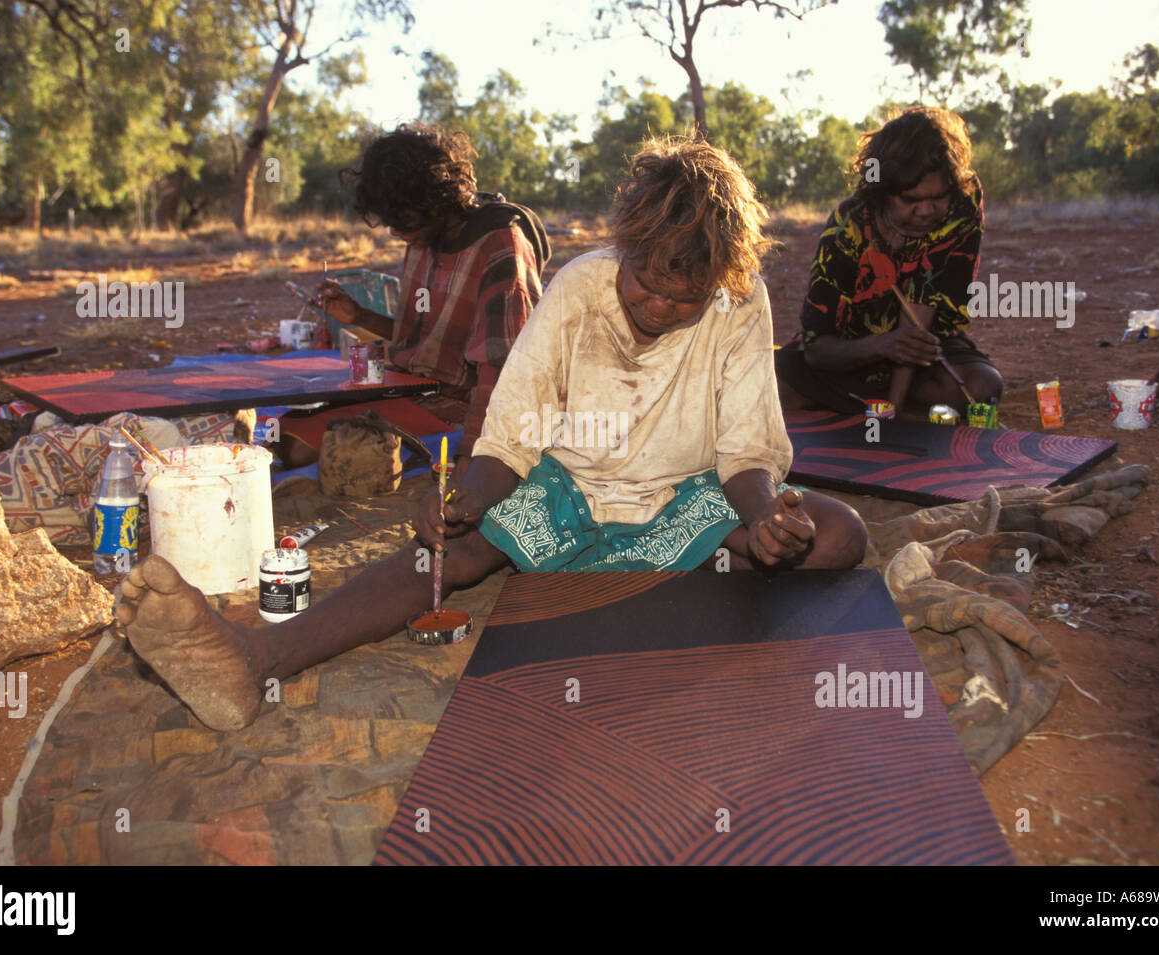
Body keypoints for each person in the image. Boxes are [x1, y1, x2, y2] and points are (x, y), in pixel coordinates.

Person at [113, 134, 868, 732]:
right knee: (453, 551)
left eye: (686, 299)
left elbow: (744, 449)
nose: (662, 307)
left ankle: (669, 565)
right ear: (624, 244)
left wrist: (765, 514)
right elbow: (511, 436)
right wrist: (463, 497)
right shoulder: (579, 289)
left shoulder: (741, 304)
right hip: (573, 491)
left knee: (836, 535)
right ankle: (260, 654)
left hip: (682, 498)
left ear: (718, 283)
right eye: (646, 283)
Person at [279, 122, 550, 473]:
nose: (396, 232)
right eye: (390, 221)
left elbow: (506, 367)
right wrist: (359, 316)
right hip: (411, 389)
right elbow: (421, 341)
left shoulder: (499, 245)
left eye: (403, 221)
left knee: (300, 448)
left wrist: (473, 457)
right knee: (281, 431)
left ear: (436, 201)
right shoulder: (423, 237)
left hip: (460, 405)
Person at [776, 106, 1002, 419]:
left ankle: (861, 408)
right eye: (911, 200)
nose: (926, 211)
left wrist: (890, 411)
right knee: (773, 384)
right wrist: (883, 345)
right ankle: (904, 414)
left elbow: (921, 314)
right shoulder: (847, 229)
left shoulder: (962, 202)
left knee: (982, 385)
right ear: (883, 191)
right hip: (849, 355)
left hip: (925, 353)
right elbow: (817, 347)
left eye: (937, 198)